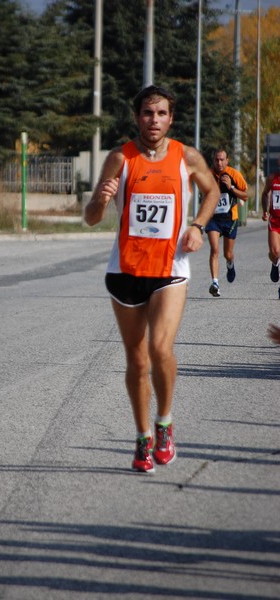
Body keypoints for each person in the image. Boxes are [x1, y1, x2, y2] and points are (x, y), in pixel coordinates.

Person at [84, 85, 219, 474]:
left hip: (170, 269)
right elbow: (92, 217)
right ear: (137, 116)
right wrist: (100, 199)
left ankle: (164, 423)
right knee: (137, 359)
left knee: (160, 348)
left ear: (171, 118)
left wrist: (197, 225)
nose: (154, 120)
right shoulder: (119, 158)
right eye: (147, 113)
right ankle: (142, 436)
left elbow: (211, 191)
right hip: (125, 270)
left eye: (161, 113)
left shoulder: (186, 156)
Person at [205, 149, 248, 297]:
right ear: (213, 160)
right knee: (214, 249)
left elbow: (246, 195)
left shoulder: (234, 174)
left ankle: (230, 264)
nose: (219, 163)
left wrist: (231, 187)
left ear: (227, 160)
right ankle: (215, 283)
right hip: (213, 218)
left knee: (227, 254)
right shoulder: (208, 174)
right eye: (217, 160)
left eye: (222, 159)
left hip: (230, 219)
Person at [261, 164, 280, 283]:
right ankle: (275, 262)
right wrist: (265, 211)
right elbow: (264, 194)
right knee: (275, 252)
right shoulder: (272, 178)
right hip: (275, 221)